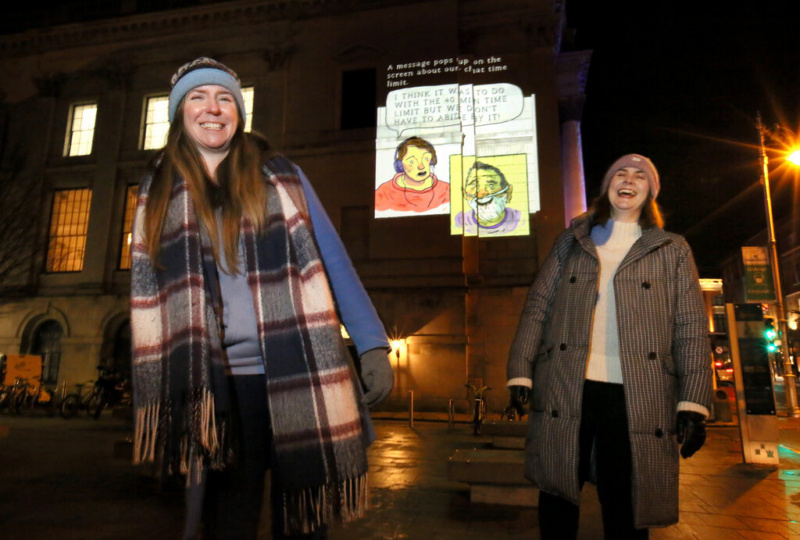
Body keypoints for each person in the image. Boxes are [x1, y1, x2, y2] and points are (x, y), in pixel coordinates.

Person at [129, 57, 394, 540]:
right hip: (221, 384)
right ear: (179, 113)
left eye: (225, 97)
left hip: (296, 368)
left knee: (304, 515)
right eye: (198, 97)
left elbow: (332, 259)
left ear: (239, 112)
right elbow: (151, 289)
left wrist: (372, 341)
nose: (213, 108)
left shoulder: (281, 175)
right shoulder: (158, 189)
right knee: (230, 515)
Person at [506, 154, 711, 539]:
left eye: (640, 176)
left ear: (650, 192)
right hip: (566, 384)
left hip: (637, 392)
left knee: (626, 500)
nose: (629, 180)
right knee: (557, 494)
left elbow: (690, 327)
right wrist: (521, 370)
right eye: (620, 172)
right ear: (607, 185)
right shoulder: (571, 241)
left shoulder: (672, 249)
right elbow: (538, 306)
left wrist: (694, 403)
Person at [375, 136, 450, 212]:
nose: (421, 166)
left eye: (426, 158)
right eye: (412, 162)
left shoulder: (446, 190)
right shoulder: (384, 193)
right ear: (400, 166)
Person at [454, 161, 521, 235]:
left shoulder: (520, 219)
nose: (482, 194)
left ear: (508, 192)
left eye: (491, 185)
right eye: (473, 185)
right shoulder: (459, 222)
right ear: (464, 193)